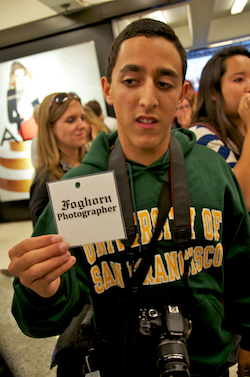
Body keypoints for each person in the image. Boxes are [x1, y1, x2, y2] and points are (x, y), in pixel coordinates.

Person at [7, 19, 250, 377]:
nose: (148, 99)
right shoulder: (80, 187)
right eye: (131, 81)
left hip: (208, 365)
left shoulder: (212, 171)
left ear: (183, 93)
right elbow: (39, 322)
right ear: (108, 89)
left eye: (164, 84)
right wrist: (40, 289)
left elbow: (242, 263)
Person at [189, 45, 250, 210]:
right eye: (239, 79)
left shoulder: (243, 128)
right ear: (212, 93)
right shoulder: (201, 136)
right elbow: (244, 198)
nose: (248, 86)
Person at [29, 92, 86, 227]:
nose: (82, 125)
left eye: (83, 118)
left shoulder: (96, 160)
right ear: (51, 127)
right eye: (71, 120)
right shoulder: (45, 177)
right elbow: (42, 231)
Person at [7, 61, 39, 138]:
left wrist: (32, 96)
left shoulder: (30, 89)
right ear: (13, 76)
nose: (20, 79)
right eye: (17, 76)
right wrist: (21, 117)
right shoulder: (11, 93)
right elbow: (11, 119)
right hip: (24, 128)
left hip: (37, 126)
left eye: (23, 76)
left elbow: (40, 111)